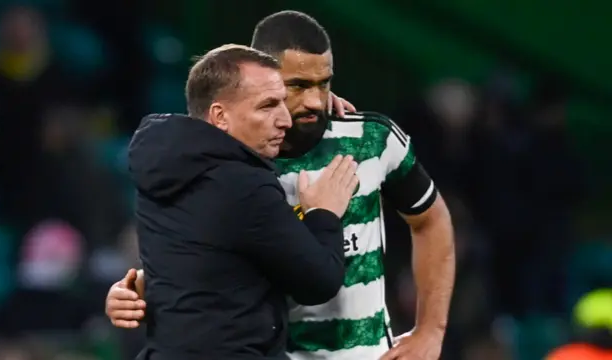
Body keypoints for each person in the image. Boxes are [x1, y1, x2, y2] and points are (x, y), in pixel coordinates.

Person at [107, 11, 455, 360]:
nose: (315, 102)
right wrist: (136, 291)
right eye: (298, 86)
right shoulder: (231, 165)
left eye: (324, 83)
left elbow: (431, 220)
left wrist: (431, 329)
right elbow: (203, 260)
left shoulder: (368, 139)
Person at [129, 43, 360, 359]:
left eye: (283, 103)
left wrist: (138, 285)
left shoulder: (158, 163)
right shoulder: (242, 184)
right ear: (220, 116)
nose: (285, 120)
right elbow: (319, 281)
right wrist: (323, 212)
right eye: (267, 106)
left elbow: (202, 262)